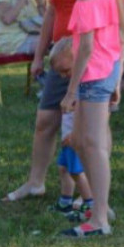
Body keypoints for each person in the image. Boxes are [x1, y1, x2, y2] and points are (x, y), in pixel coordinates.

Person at [1, 0, 124, 203]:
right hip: (63, 59)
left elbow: (117, 23)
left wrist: (116, 68)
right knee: (50, 122)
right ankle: (46, 185)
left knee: (91, 138)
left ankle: (94, 199)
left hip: (87, 64)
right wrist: (40, 55)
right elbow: (51, 11)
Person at [50, 0, 123, 237]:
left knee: (92, 145)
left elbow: (87, 48)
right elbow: (113, 35)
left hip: (94, 74)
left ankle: (99, 218)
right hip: (103, 71)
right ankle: (100, 207)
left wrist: (72, 90)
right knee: (81, 140)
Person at [45, 39, 95, 215]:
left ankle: (90, 203)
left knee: (76, 171)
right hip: (68, 139)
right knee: (63, 168)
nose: (64, 76)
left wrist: (75, 135)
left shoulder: (85, 87)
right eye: (59, 73)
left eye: (66, 70)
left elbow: (86, 117)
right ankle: (65, 201)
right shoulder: (72, 86)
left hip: (76, 139)